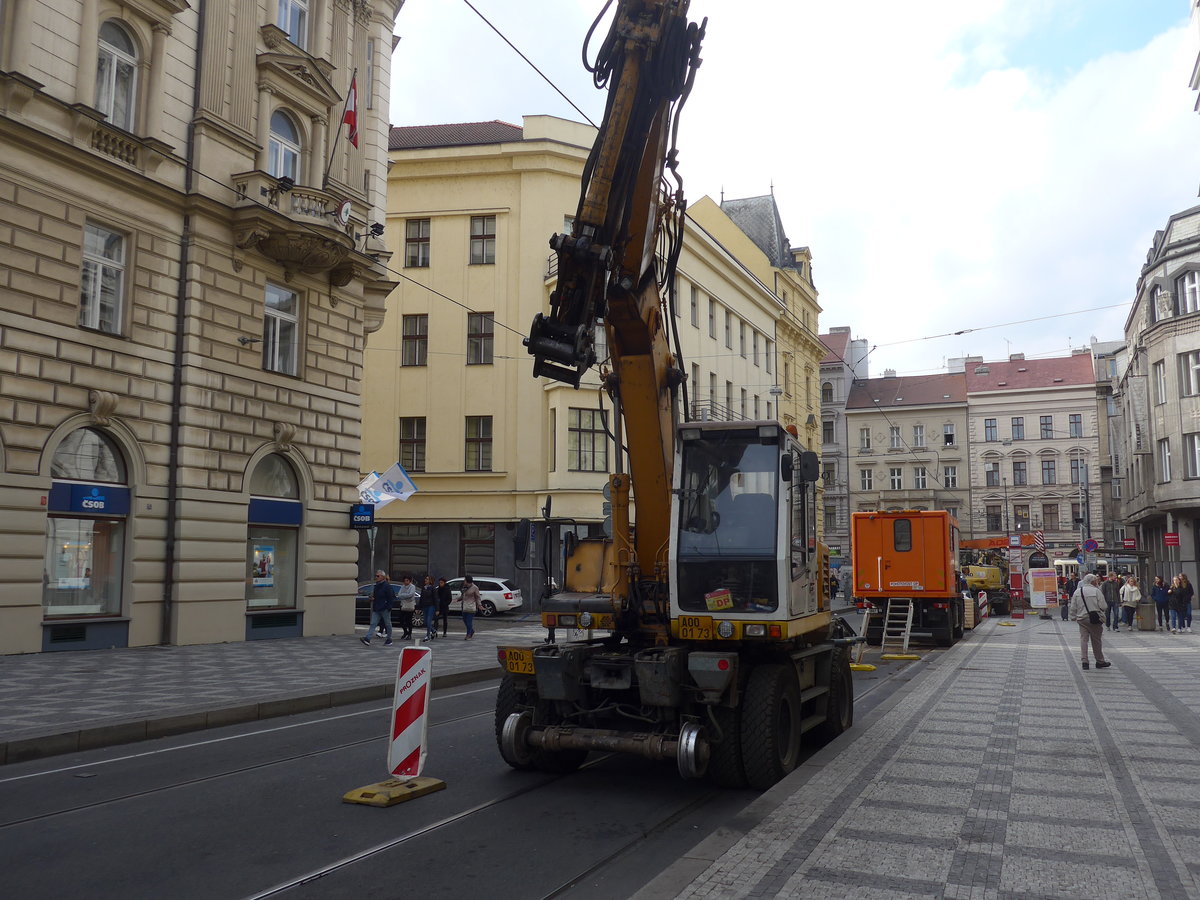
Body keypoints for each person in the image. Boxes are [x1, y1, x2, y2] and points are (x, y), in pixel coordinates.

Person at [1069, 574, 1111, 670]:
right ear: (1093, 582)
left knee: (1084, 640)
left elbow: (1073, 607)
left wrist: (1072, 617)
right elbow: (1104, 606)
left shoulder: (1077, 591)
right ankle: (1099, 661)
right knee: (1096, 640)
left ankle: (1085, 661)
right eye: (1096, 581)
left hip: (1082, 619)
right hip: (1095, 619)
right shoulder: (1097, 591)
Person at [361, 570, 394, 646]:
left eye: (378, 576)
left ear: (382, 577)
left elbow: (390, 598)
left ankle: (389, 639)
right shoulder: (377, 585)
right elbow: (377, 596)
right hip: (377, 608)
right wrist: (373, 599)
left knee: (387, 623)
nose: (376, 577)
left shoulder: (387, 586)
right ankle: (368, 638)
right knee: (373, 623)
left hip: (384, 608)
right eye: (376, 576)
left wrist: (388, 607)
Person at [395, 574, 419, 640]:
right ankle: (405, 632)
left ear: (410, 581)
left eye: (407, 580)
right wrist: (405, 596)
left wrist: (404, 596)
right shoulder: (402, 587)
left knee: (409, 620)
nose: (406, 582)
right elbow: (399, 595)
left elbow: (411, 595)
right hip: (403, 605)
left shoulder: (412, 587)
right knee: (401, 620)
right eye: (405, 581)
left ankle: (409, 634)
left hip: (410, 606)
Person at [460, 575, 481, 640]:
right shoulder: (464, 587)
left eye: (465, 580)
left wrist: (479, 605)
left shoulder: (475, 588)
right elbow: (463, 595)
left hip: (471, 607)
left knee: (469, 622)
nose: (464, 581)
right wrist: (458, 599)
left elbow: (478, 597)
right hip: (464, 606)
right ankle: (471, 630)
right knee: (464, 620)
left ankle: (468, 634)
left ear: (467, 581)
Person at [419, 575, 439, 640]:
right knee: (425, 621)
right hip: (425, 606)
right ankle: (433, 631)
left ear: (430, 581)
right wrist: (419, 607)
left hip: (431, 606)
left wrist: (437, 609)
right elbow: (421, 598)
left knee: (428, 621)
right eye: (425, 579)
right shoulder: (423, 588)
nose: (425, 580)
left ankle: (428, 636)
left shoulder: (433, 588)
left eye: (427, 579)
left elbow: (435, 599)